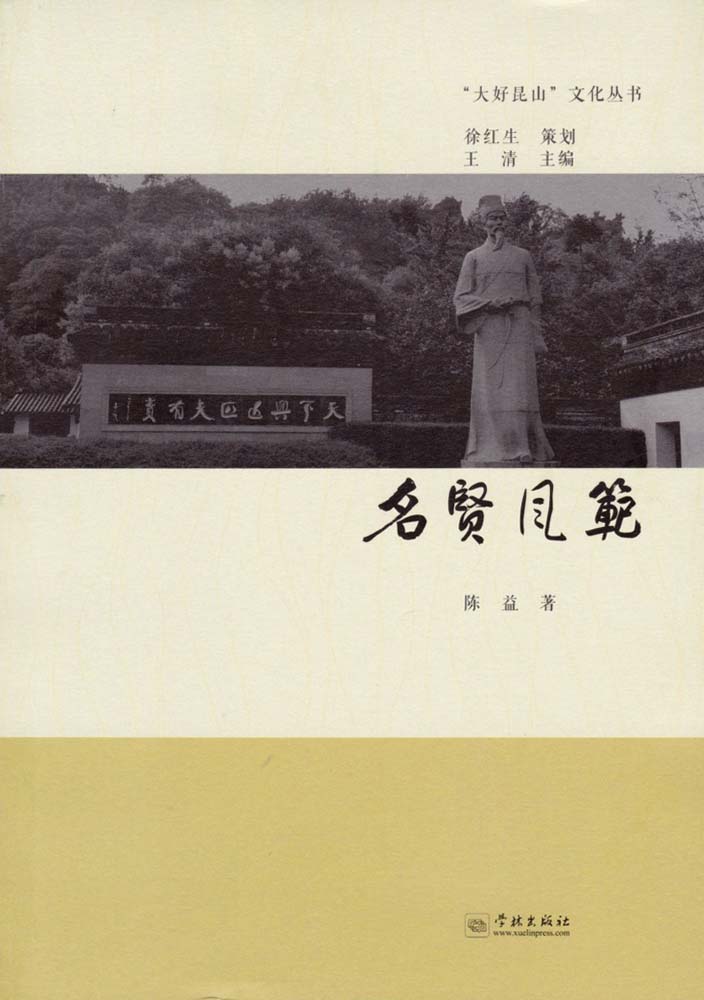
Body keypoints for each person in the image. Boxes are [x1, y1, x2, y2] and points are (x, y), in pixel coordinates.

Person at [453, 194, 555, 466]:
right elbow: (461, 297)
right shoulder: (473, 258)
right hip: (489, 327)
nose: (497, 223)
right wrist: (489, 303)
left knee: (520, 386)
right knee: (491, 387)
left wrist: (535, 330)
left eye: (501, 218)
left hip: (519, 325)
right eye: (492, 218)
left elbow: (536, 297)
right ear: (482, 223)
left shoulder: (523, 256)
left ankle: (524, 446)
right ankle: (491, 447)